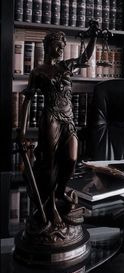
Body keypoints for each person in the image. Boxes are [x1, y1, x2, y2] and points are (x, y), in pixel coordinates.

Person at [18, 21, 100, 228]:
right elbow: (27, 100)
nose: (61, 48)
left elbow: (85, 58)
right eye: (57, 44)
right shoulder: (38, 72)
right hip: (51, 117)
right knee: (49, 163)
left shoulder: (66, 66)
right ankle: (50, 204)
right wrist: (22, 130)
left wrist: (94, 36)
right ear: (48, 46)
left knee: (71, 158)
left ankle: (62, 190)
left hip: (68, 118)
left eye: (63, 44)